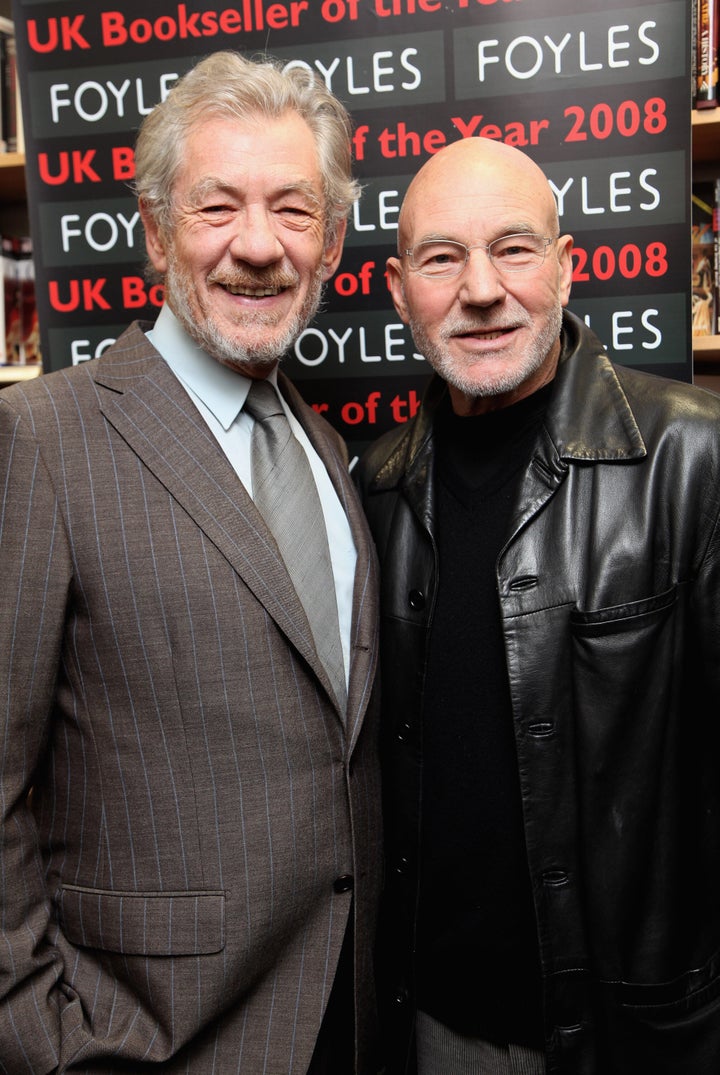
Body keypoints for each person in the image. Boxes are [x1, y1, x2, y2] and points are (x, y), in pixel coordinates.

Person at [0, 50, 383, 1074]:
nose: (257, 247)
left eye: (294, 212)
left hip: (348, 1021)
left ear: (334, 241)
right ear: (156, 231)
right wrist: (47, 1041)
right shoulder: (42, 439)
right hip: (146, 1039)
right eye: (217, 207)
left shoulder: (329, 450)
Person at [355, 135, 720, 1075]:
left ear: (566, 265)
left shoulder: (694, 460)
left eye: (513, 248)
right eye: (443, 257)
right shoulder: (374, 492)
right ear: (399, 292)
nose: (481, 288)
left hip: (642, 1037)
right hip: (432, 1034)